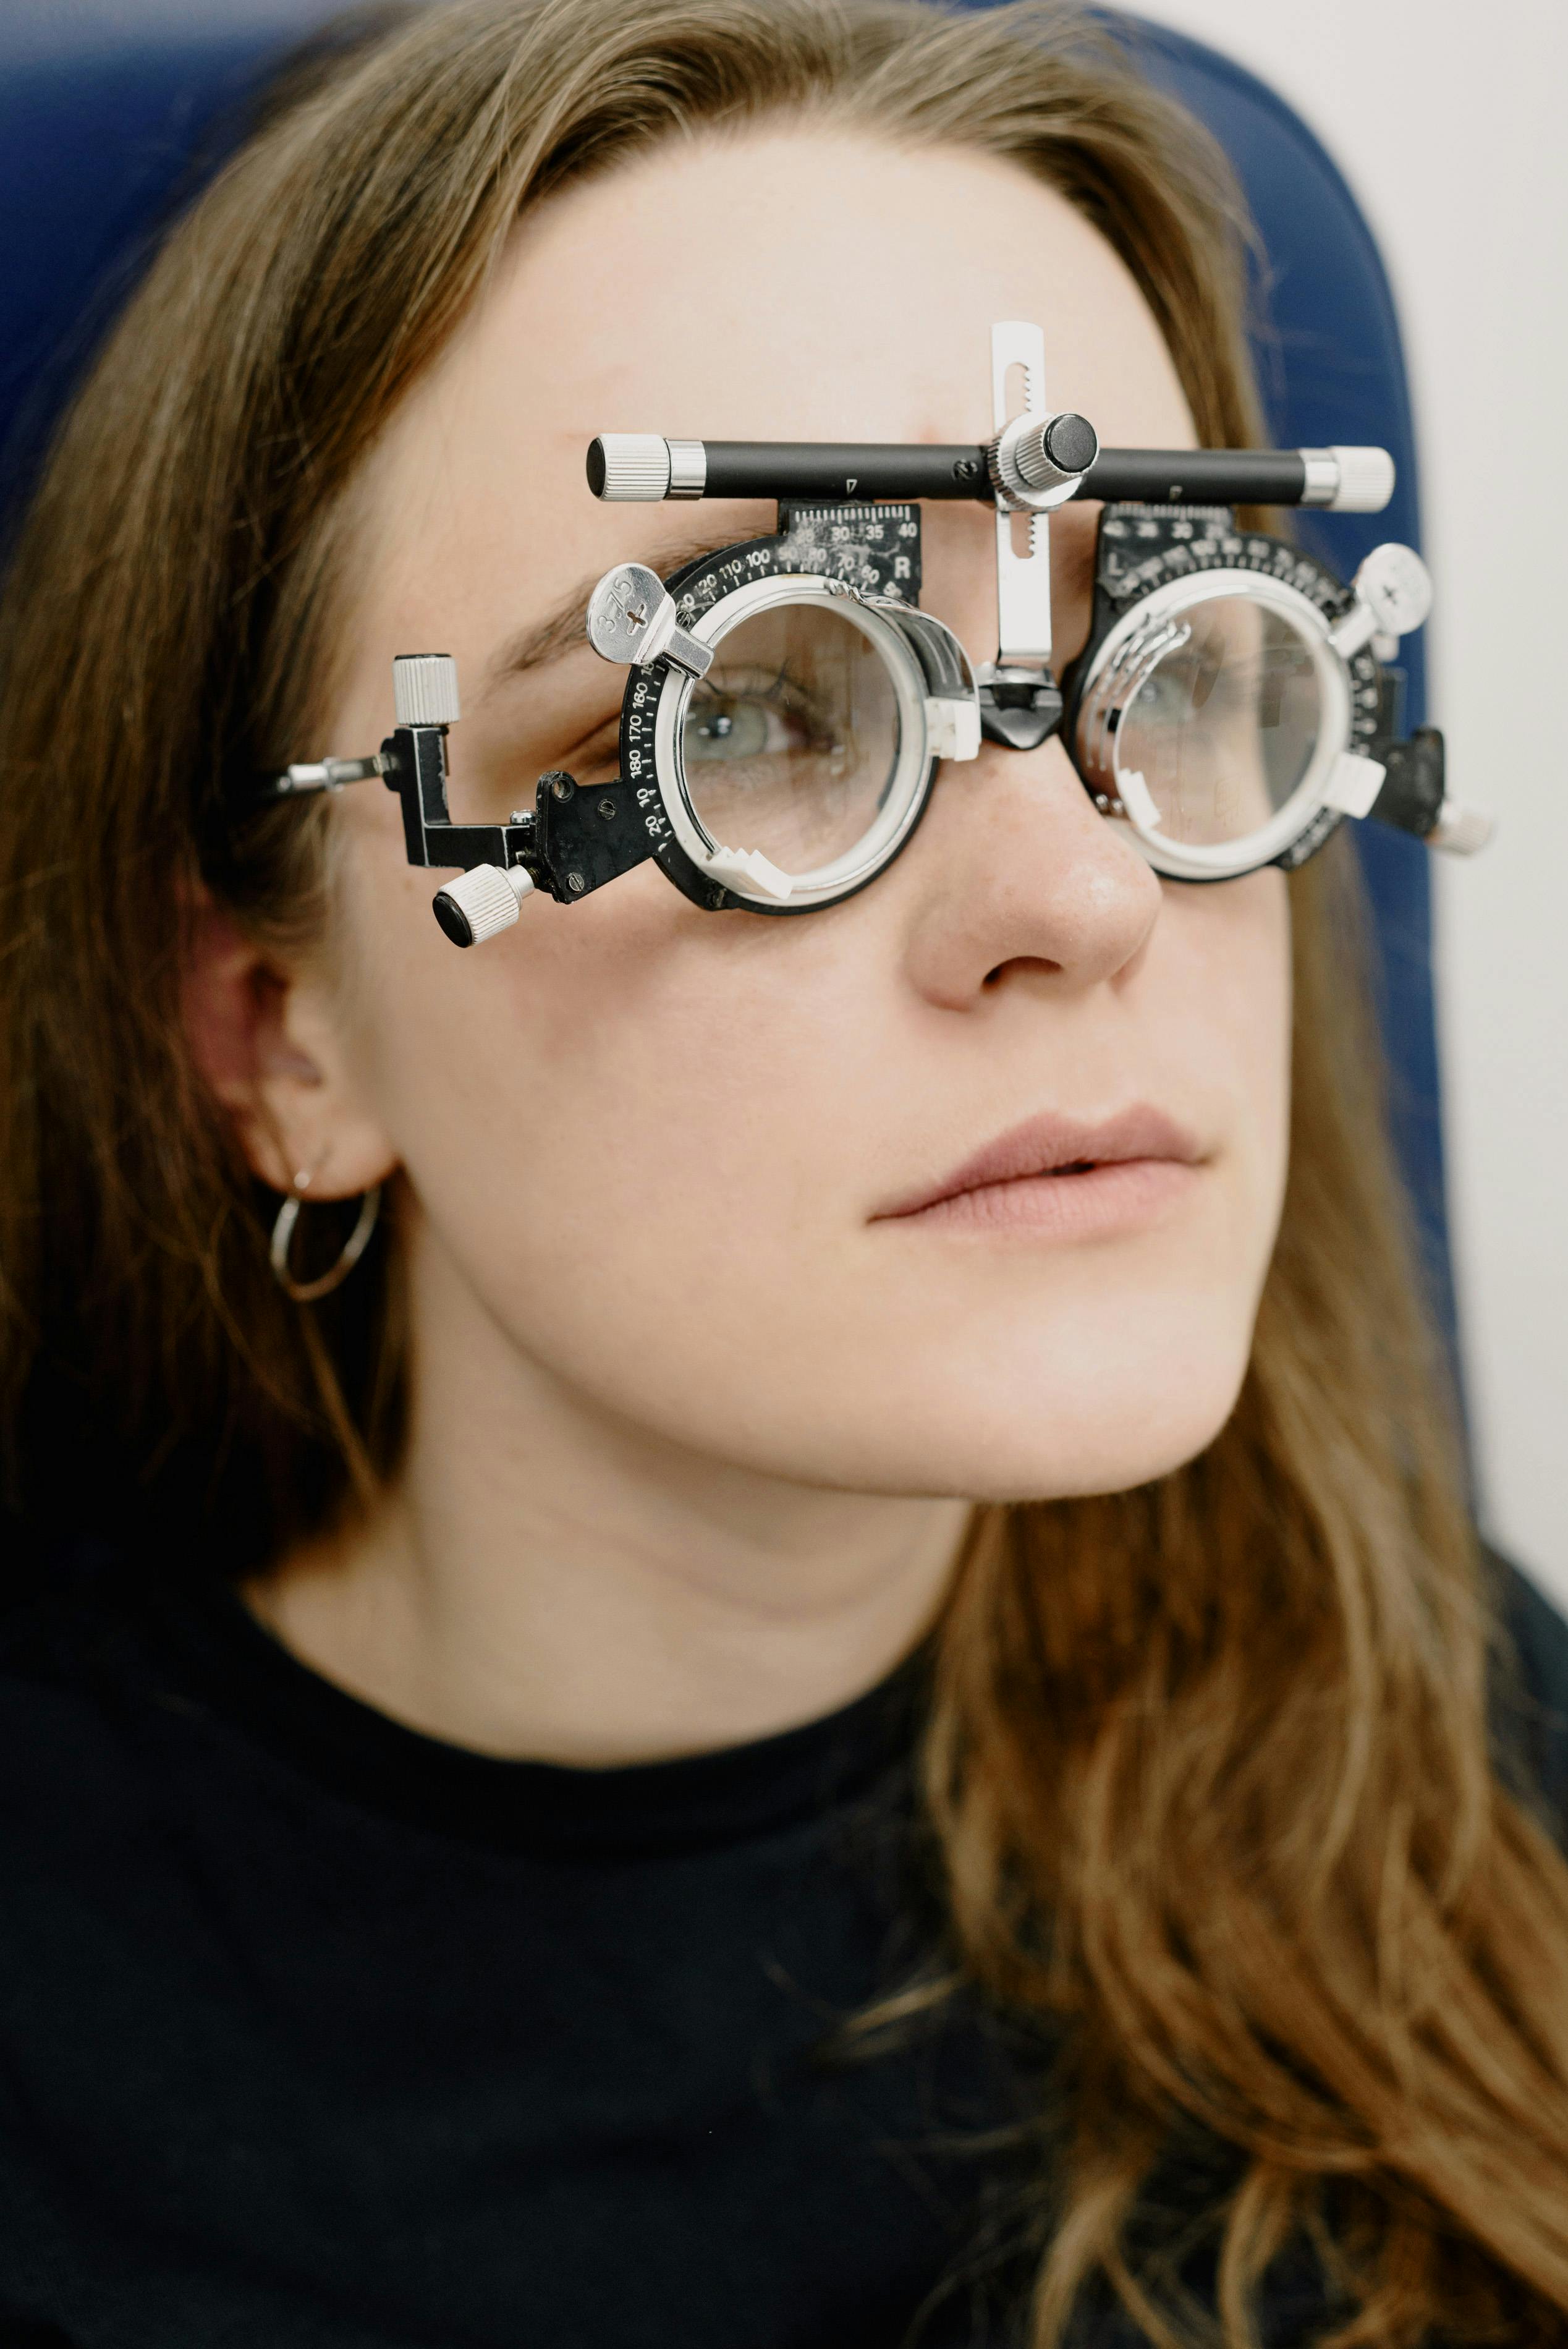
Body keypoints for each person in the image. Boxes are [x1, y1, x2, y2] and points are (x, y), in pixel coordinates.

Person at [0, 1, 1565, 2342]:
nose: (1089, 901)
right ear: (278, 1034)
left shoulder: (1463, 1766)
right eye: (746, 715)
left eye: (1161, 673)